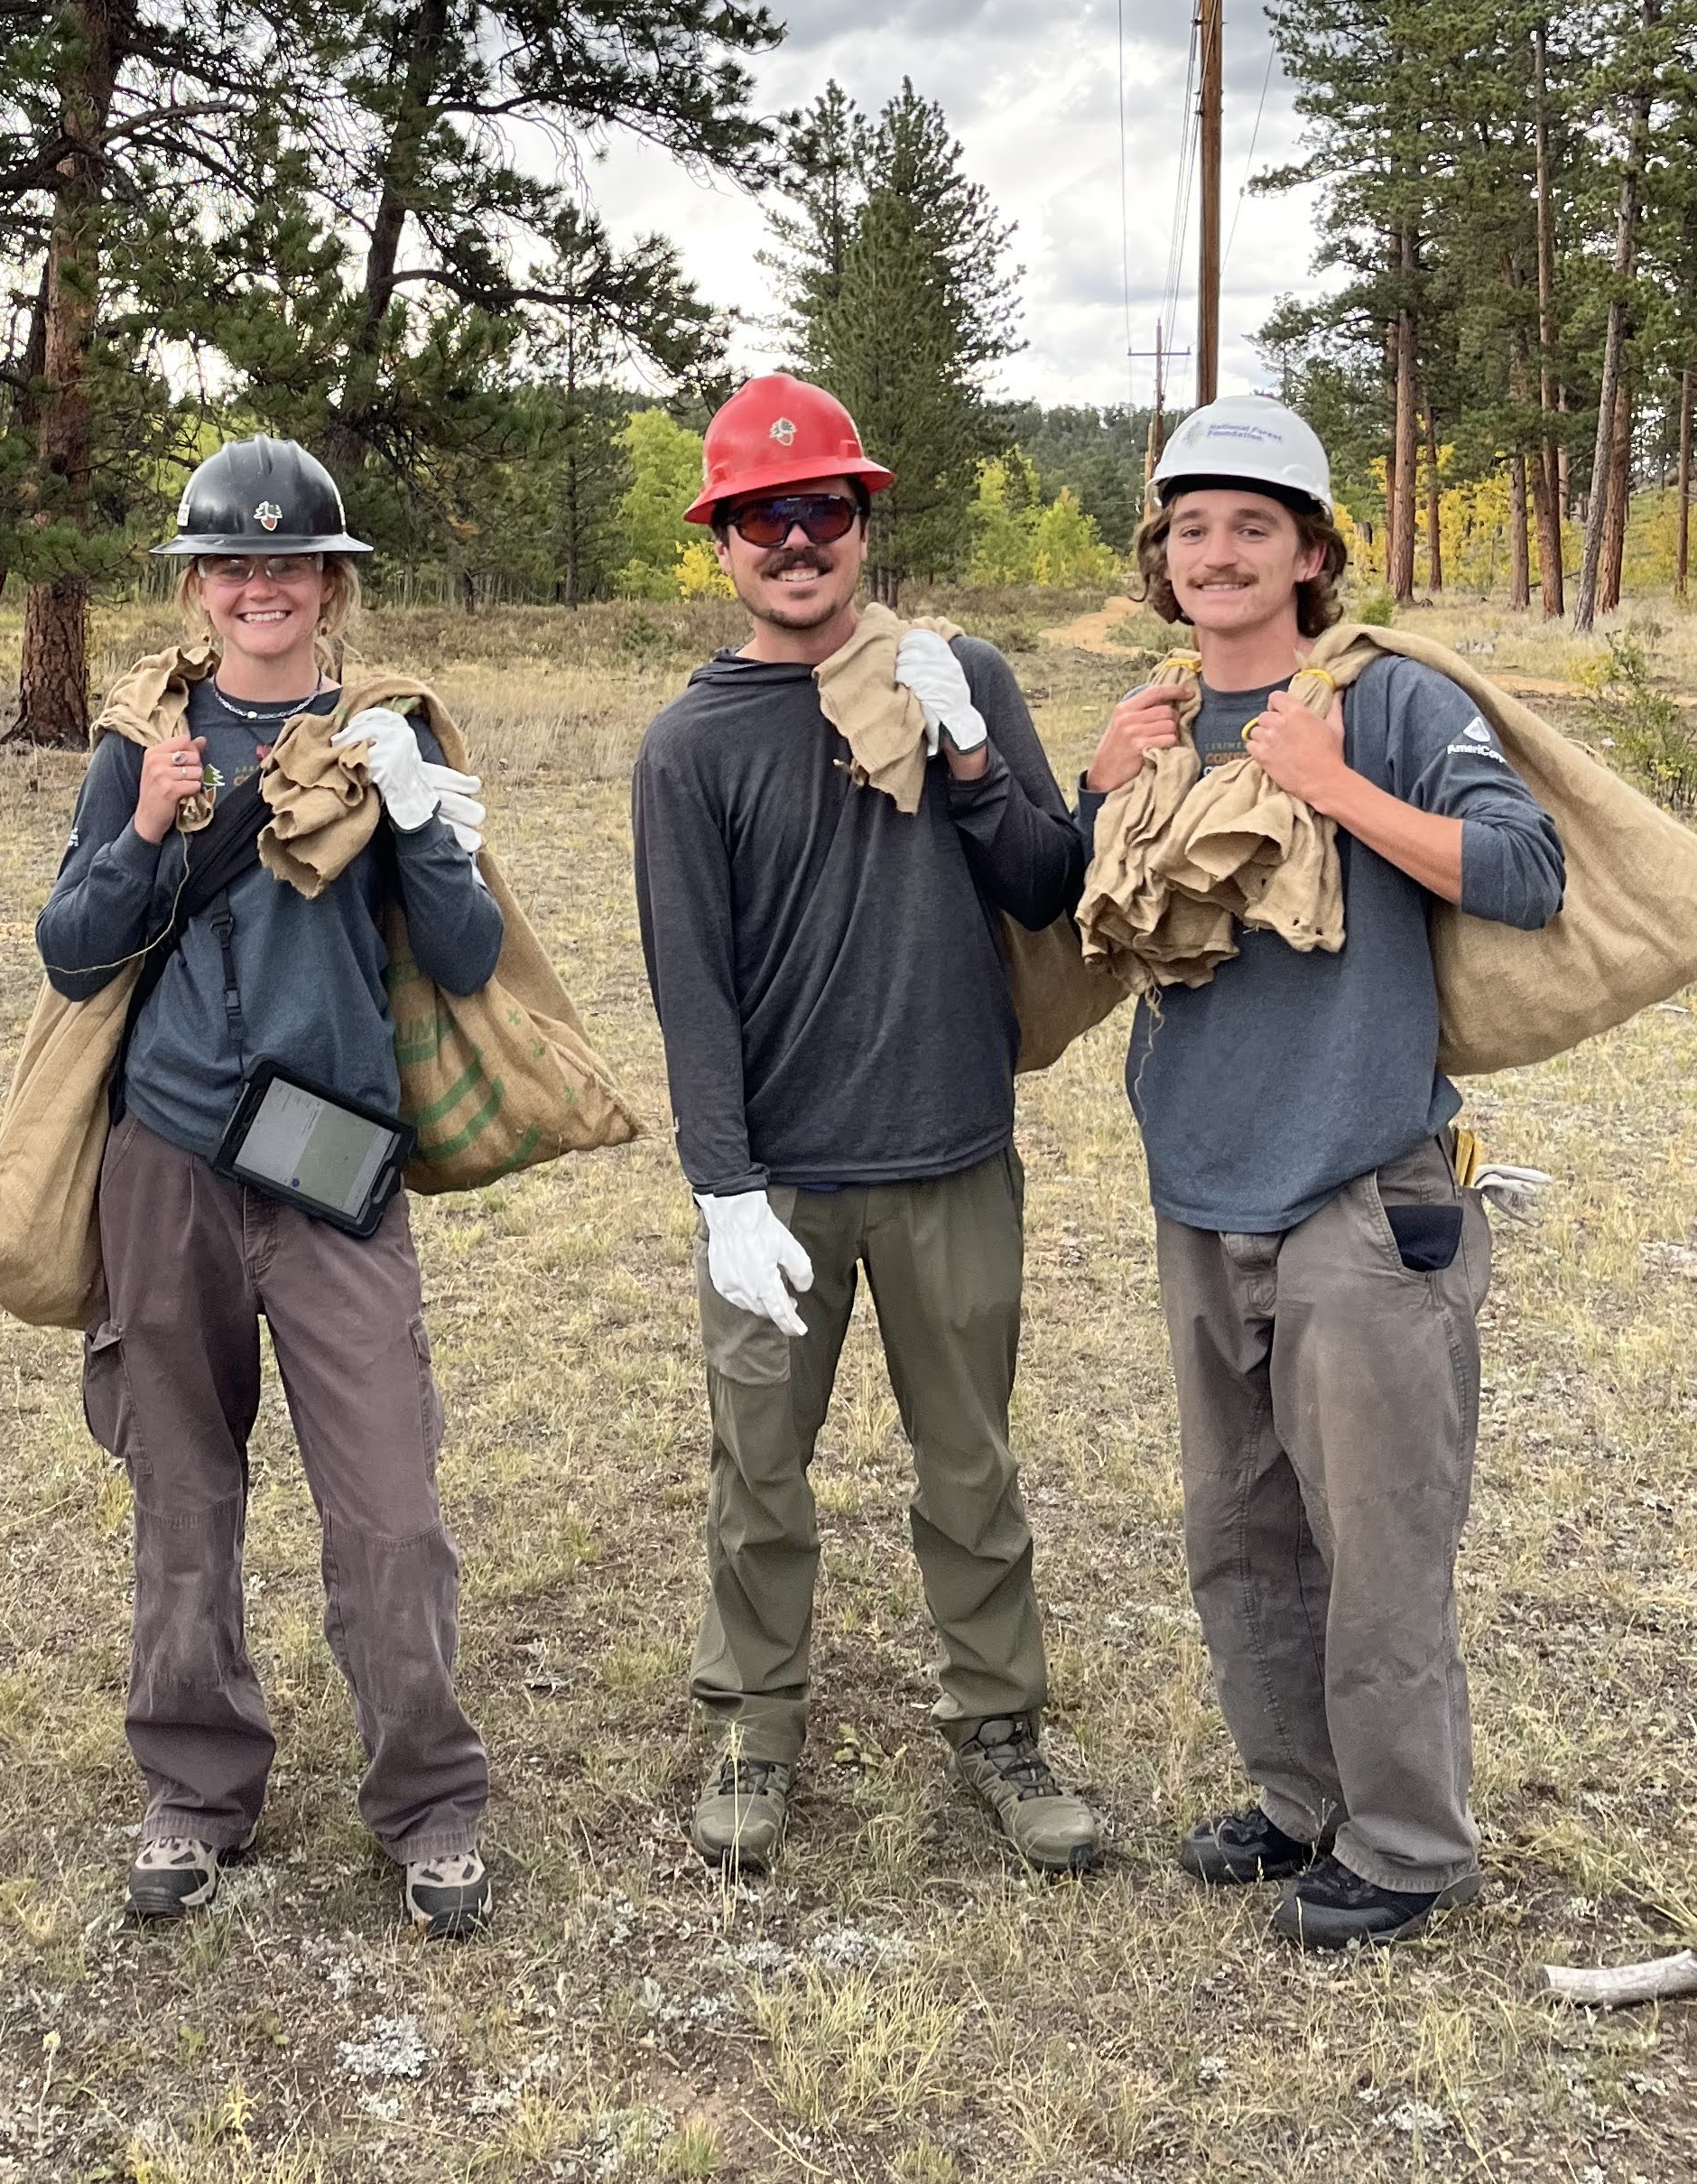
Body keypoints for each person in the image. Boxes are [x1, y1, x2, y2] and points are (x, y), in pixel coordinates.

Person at [1081, 394, 1564, 1947]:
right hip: (1200, 1187)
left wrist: (1335, 783)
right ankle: (1301, 1801)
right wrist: (1098, 789)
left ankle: (1411, 1845)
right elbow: (1068, 912)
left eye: (1253, 527)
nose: (1217, 554)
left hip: (1365, 1187)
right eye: (1190, 530)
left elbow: (1524, 873)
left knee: (1381, 1533)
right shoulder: (1154, 715)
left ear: (1309, 554)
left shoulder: (1391, 701)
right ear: (1164, 560)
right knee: (1240, 1526)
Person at [631, 374, 1099, 1877]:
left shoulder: (959, 675)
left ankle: (1000, 1729)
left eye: (822, 509)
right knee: (758, 1466)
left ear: (861, 525)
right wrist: (723, 1188)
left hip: (951, 1151)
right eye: (763, 516)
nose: (796, 540)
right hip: (780, 1184)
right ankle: (758, 1726)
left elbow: (1046, 883)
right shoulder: (687, 747)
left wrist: (970, 757)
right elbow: (689, 986)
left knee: (970, 1463)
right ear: (721, 544)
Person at [36, 436, 502, 1938]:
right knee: (182, 1490)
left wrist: (428, 825)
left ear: (330, 583)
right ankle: (195, 1785)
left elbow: (474, 960)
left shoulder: (385, 733)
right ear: (197, 585)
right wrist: (152, 821)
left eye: (288, 563)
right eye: (230, 565)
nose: (259, 586)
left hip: (333, 1161)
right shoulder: (142, 739)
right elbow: (71, 947)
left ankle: (428, 1801)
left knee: (389, 1507)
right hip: (166, 1158)